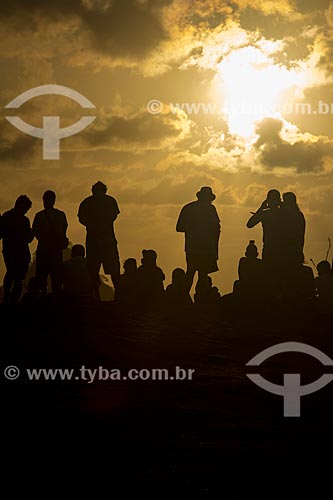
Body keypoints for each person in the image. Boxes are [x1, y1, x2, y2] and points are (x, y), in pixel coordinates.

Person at [78, 181, 120, 302]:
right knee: (113, 268)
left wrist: (92, 226)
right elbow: (113, 216)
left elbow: (81, 218)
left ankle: (96, 294)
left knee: (93, 269)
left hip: (93, 239)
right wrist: (103, 226)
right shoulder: (110, 201)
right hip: (108, 239)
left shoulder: (87, 202)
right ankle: (117, 293)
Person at [176, 186, 221, 291]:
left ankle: (187, 296)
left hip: (197, 248)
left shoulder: (189, 208)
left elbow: (179, 228)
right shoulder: (210, 209)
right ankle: (190, 297)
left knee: (194, 273)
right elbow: (216, 230)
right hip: (203, 248)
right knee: (200, 274)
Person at [32, 190, 68, 296]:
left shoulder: (39, 216)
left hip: (43, 248)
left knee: (42, 274)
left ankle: (42, 294)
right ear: (54, 201)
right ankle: (56, 295)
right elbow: (64, 230)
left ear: (44, 200)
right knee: (56, 275)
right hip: (56, 249)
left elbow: (35, 231)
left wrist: (44, 239)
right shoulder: (61, 215)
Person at [0, 195, 34, 303]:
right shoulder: (24, 220)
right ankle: (12, 299)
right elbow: (28, 238)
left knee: (11, 274)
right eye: (26, 209)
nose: (26, 212)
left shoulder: (6, 216)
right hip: (20, 252)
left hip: (10, 251)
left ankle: (7, 297)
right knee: (17, 278)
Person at [280, 192, 305, 269]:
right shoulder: (298, 215)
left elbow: (300, 235)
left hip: (290, 250)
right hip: (293, 250)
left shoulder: (295, 216)